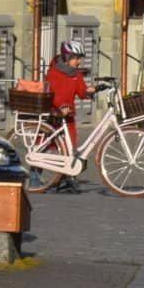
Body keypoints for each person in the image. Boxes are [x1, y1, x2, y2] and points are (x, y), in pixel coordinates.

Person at [46, 41, 92, 188]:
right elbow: (51, 92)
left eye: (79, 58)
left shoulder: (76, 74)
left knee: (70, 147)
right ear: (67, 57)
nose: (79, 62)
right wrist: (61, 105)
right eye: (76, 58)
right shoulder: (53, 72)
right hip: (55, 113)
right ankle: (35, 175)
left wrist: (89, 91)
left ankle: (66, 178)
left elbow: (81, 91)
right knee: (46, 145)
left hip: (69, 115)